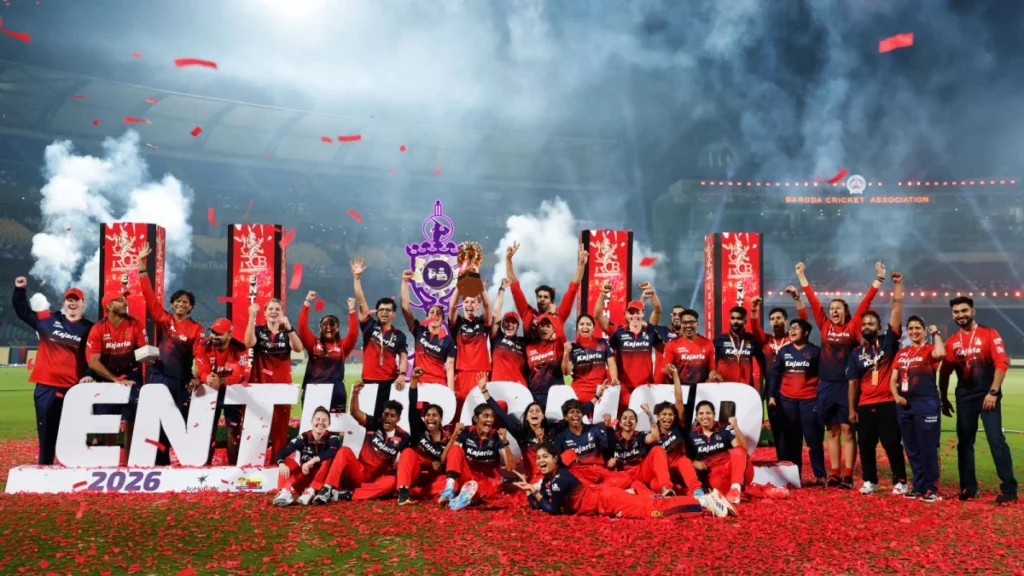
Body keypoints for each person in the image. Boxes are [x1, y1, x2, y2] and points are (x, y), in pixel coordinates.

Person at [797, 260, 883, 489]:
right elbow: (813, 301)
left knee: (847, 429)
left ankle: (847, 475)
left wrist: (878, 279)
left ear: (845, 311)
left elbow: (866, 302)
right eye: (832, 308)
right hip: (825, 385)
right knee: (832, 430)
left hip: (846, 385)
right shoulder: (824, 325)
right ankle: (834, 473)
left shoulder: (854, 326)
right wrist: (802, 276)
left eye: (838, 308)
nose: (834, 311)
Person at [516, 443, 735, 519]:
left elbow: (552, 509)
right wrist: (529, 490)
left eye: (546, 457)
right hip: (606, 501)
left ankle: (704, 502)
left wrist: (535, 494)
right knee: (653, 507)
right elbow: (539, 506)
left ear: (556, 459)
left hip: (609, 500)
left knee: (654, 511)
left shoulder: (560, 478)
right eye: (538, 458)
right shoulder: (548, 481)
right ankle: (705, 501)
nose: (541, 461)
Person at [939, 296, 1017, 503]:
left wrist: (992, 392)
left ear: (973, 311)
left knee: (995, 440)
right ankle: (968, 488)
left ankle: (1009, 489)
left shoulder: (990, 334)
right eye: (956, 312)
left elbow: (1001, 363)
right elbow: (945, 372)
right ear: (952, 314)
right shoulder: (953, 341)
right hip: (964, 397)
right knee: (965, 442)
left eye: (964, 310)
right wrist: (943, 398)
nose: (960, 315)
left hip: (987, 395)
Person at [12, 277, 94, 465]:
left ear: (83, 303)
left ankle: (72, 471)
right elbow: (23, 312)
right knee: (46, 434)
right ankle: (45, 468)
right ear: (64, 302)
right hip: (46, 387)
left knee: (74, 434)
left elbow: (94, 356)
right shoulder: (48, 319)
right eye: (69, 300)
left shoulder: (89, 328)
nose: (72, 303)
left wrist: (90, 373)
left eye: (76, 300)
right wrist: (19, 290)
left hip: (73, 388)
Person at [137, 242, 205, 465]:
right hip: (158, 377)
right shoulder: (164, 320)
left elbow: (200, 354)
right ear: (172, 304)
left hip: (180, 381)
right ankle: (159, 459)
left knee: (177, 420)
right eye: (177, 301)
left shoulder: (196, 329)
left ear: (191, 307)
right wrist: (141, 266)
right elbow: (149, 297)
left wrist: (199, 376)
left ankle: (177, 456)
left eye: (185, 302)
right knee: (155, 419)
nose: (181, 304)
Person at [847, 271, 907, 496]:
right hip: (864, 405)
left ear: (879, 326)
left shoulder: (888, 342)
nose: (867, 326)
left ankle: (900, 481)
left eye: (872, 323)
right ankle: (870, 480)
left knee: (892, 443)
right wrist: (852, 409)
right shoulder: (855, 353)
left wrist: (898, 285)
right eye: (864, 323)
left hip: (887, 402)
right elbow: (852, 383)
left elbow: (897, 310)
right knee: (866, 445)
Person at [314, 380, 410, 504]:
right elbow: (355, 413)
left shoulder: (403, 436)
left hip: (377, 480)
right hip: (359, 472)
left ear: (398, 419)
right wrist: (355, 393)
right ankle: (327, 489)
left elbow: (405, 458)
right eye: (385, 414)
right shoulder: (374, 424)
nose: (387, 418)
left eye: (392, 416)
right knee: (344, 451)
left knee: (393, 482)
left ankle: (347, 495)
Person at [86, 291, 147, 462]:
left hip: (131, 376)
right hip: (107, 378)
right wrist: (114, 379)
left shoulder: (135, 324)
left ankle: (129, 462)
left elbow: (143, 352)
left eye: (125, 299)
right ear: (109, 306)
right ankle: (110, 462)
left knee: (131, 419)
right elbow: (93, 362)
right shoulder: (98, 328)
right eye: (120, 300)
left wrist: (151, 358)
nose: (125, 302)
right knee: (108, 422)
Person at [748, 287, 808, 461]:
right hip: (773, 390)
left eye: (779, 318)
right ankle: (783, 462)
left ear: (786, 322)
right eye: (772, 319)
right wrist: (753, 308)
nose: (775, 321)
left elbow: (804, 320)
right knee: (778, 429)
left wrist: (797, 297)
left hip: (794, 388)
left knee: (795, 428)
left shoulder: (793, 339)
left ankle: (795, 464)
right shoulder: (766, 340)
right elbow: (754, 327)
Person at [890, 316, 945, 502]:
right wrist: (896, 396)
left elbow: (941, 354)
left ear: (923, 330)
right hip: (905, 406)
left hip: (926, 403)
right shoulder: (902, 353)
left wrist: (936, 333)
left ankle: (932, 488)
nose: (914, 331)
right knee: (912, 448)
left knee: (928, 447)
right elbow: (893, 378)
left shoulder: (929, 350)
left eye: (917, 328)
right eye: (911, 328)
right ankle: (919, 487)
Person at [244, 299, 304, 465]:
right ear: (265, 312)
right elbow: (248, 343)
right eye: (270, 309)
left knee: (280, 427)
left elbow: (299, 348)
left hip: (282, 385)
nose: (274, 311)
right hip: (260, 384)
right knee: (258, 425)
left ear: (282, 312)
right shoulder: (258, 330)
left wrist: (289, 326)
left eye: (277, 309)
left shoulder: (287, 331)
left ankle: (277, 462)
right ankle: (254, 463)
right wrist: (251, 317)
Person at [767, 318, 826, 485]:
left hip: (809, 401)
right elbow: (774, 376)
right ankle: (794, 477)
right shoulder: (784, 351)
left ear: (806, 332)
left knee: (813, 440)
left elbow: (823, 376)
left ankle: (820, 475)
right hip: (787, 402)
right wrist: (772, 396)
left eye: (796, 328)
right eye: (791, 328)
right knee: (793, 441)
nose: (792, 331)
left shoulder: (815, 352)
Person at [396, 368, 458, 506]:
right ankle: (404, 492)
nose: (430, 418)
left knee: (448, 482)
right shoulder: (418, 429)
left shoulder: (447, 440)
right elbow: (412, 405)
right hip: (414, 473)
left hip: (432, 480)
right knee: (407, 452)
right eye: (428, 415)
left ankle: (418, 492)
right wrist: (414, 381)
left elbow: (446, 464)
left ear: (441, 418)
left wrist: (438, 465)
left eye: (434, 415)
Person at [193, 318, 251, 465]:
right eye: (212, 332)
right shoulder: (202, 345)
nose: (213, 336)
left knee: (233, 431)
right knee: (208, 429)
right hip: (210, 390)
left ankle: (234, 467)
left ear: (229, 335)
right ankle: (204, 465)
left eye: (218, 333)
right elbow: (202, 370)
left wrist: (223, 381)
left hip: (232, 391)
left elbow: (242, 374)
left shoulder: (239, 348)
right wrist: (207, 377)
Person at [594, 283, 662, 409]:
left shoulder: (650, 331)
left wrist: (652, 293)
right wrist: (603, 294)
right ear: (625, 315)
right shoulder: (618, 332)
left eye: (638, 312)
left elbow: (657, 310)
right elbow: (597, 315)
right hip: (624, 388)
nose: (634, 316)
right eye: (631, 313)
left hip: (646, 387)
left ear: (643, 314)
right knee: (625, 424)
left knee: (645, 424)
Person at [438, 402, 515, 510]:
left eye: (492, 416)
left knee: (483, 488)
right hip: (467, 475)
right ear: (476, 418)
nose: (490, 420)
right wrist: (454, 435)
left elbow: (511, 467)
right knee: (455, 449)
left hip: (486, 479)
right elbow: (444, 459)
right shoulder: (466, 432)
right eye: (486, 416)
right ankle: (450, 488)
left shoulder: (496, 436)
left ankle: (462, 500)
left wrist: (505, 442)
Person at [504, 241, 587, 337]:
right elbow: (515, 288)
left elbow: (572, 290)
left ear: (551, 301)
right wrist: (508, 260)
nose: (542, 299)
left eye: (545, 297)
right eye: (539, 297)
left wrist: (581, 266)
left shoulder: (559, 314)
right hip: (529, 351)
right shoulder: (528, 314)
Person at [480, 378, 554, 482]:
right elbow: (501, 414)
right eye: (531, 411)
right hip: (533, 480)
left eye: (538, 411)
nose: (534, 413)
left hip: (552, 477)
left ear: (542, 416)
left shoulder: (552, 431)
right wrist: (484, 391)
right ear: (527, 417)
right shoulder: (521, 433)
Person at [351, 257, 409, 390]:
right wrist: (356, 278)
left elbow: (403, 357)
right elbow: (361, 301)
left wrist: (402, 374)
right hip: (368, 381)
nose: (384, 312)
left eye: (388, 310)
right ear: (376, 313)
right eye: (381, 310)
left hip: (390, 381)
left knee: (388, 412)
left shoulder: (399, 335)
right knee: (366, 412)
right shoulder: (369, 326)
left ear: (393, 314)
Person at [296, 291, 359, 412]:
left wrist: (351, 310)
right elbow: (302, 327)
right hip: (313, 390)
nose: (328, 327)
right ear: (320, 327)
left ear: (338, 328)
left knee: (336, 428)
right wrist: (307, 301)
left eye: (332, 324)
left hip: (336, 392)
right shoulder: (313, 344)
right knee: (311, 426)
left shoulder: (342, 346)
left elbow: (353, 333)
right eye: (325, 324)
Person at [271, 406, 342, 506]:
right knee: (286, 460)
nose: (320, 423)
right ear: (312, 422)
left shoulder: (333, 438)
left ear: (329, 424)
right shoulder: (303, 438)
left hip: (323, 485)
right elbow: (283, 452)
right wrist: (281, 463)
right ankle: (284, 492)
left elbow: (332, 451)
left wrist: (312, 461)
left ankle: (314, 491)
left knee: (328, 458)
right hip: (305, 482)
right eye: (317, 419)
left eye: (324, 420)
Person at [400, 270, 456, 391]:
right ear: (426, 318)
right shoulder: (419, 331)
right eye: (432, 313)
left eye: (439, 314)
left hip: (439, 384)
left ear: (442, 320)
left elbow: (450, 368)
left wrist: (450, 394)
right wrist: (405, 282)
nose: (435, 316)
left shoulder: (448, 341)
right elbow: (405, 307)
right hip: (419, 382)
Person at [688, 401, 754, 505]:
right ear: (696, 417)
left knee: (738, 451)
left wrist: (735, 427)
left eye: (708, 413)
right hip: (715, 473)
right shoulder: (692, 436)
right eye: (701, 414)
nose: (705, 416)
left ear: (714, 415)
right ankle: (735, 491)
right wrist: (694, 462)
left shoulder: (724, 428)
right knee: (716, 485)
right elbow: (684, 458)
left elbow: (742, 449)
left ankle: (735, 489)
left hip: (734, 468)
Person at [661, 308, 719, 427]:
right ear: (680, 324)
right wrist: (668, 370)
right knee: (681, 424)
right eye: (685, 322)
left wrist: (713, 375)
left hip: (700, 391)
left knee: (698, 425)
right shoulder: (672, 345)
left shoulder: (707, 344)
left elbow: (711, 369)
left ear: (697, 324)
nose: (688, 325)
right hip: (679, 391)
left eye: (691, 322)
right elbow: (664, 368)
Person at [603, 405, 675, 497]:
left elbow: (655, 437)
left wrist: (649, 414)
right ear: (620, 423)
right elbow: (604, 459)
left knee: (657, 450)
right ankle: (654, 498)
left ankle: (666, 487)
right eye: (625, 418)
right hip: (624, 476)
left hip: (641, 472)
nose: (628, 421)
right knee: (646, 487)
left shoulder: (640, 436)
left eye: (632, 418)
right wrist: (609, 463)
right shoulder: (613, 438)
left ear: (636, 423)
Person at [552, 396, 618, 485]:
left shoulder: (594, 429)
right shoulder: (561, 437)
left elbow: (609, 448)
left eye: (578, 412)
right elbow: (557, 462)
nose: (575, 414)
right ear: (566, 417)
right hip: (579, 477)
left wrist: (609, 428)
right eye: (571, 412)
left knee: (625, 478)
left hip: (600, 472)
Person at [448, 283, 491, 404]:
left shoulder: (483, 322)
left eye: (473, 302)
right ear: (462, 305)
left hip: (481, 373)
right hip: (462, 373)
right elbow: (452, 307)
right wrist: (459, 284)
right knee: (461, 410)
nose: (469, 305)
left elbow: (487, 306)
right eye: (466, 302)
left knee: (481, 408)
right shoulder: (458, 323)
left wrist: (478, 283)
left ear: (478, 305)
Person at [562, 313, 618, 403]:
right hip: (578, 393)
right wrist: (566, 354)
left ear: (594, 328)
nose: (585, 327)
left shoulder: (602, 343)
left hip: (600, 392)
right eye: (581, 324)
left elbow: (611, 363)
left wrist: (614, 377)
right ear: (577, 328)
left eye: (588, 324)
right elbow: (566, 372)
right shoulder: (572, 347)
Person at [711, 305, 766, 391]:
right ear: (729, 319)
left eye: (739, 319)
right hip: (723, 387)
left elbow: (763, 363)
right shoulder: (719, 339)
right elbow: (711, 363)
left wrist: (769, 381)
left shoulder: (751, 339)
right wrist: (714, 374)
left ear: (745, 321)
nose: (735, 321)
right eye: (733, 318)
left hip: (745, 388)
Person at [524, 314, 567, 409]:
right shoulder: (529, 348)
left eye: (548, 326)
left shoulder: (558, 345)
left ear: (553, 329)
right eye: (542, 326)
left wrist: (555, 315)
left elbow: (561, 334)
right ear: (537, 329)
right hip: (534, 394)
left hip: (555, 394)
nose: (545, 329)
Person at [489, 279, 527, 385]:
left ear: (518, 326)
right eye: (507, 322)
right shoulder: (497, 338)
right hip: (497, 386)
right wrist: (502, 289)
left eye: (513, 322)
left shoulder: (523, 343)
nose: (510, 325)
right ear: (502, 324)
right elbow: (496, 313)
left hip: (518, 387)